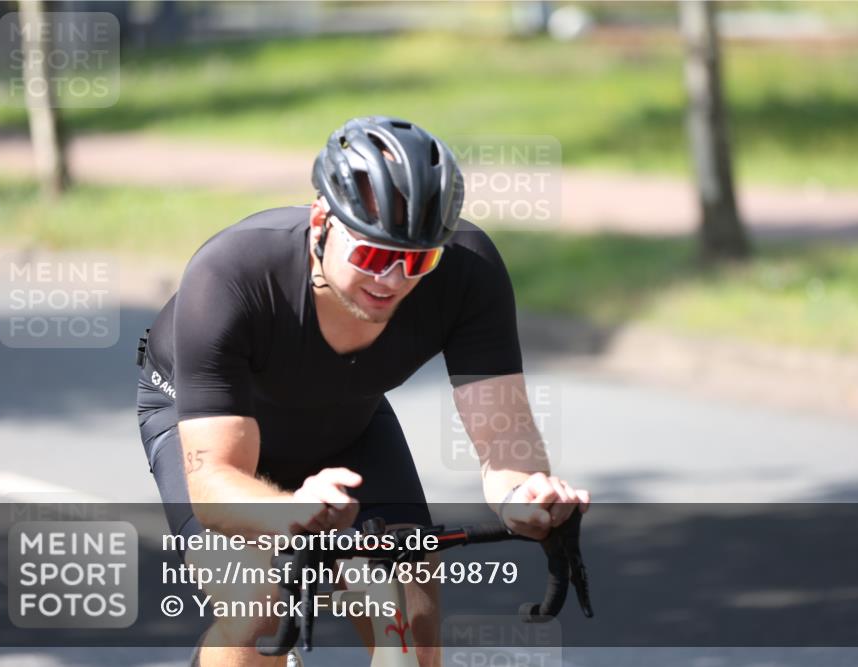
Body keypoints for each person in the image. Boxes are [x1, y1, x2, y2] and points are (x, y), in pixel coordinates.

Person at [136, 116, 591, 667]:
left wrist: (524, 498)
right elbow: (214, 483)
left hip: (346, 425)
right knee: (260, 608)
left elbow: (505, 441)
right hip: (213, 433)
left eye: (417, 260)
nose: (392, 280)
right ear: (322, 221)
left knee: (413, 625)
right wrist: (289, 513)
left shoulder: (467, 273)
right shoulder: (230, 276)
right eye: (374, 256)